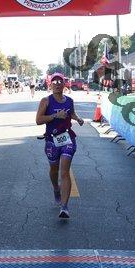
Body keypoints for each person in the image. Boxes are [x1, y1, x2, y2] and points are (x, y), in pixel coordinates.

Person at [35, 73, 84, 219]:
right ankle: (56, 188)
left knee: (64, 172)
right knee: (54, 170)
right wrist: (55, 116)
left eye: (60, 82)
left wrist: (78, 118)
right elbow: (38, 120)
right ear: (50, 85)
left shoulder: (69, 101)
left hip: (67, 138)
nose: (57, 84)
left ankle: (64, 207)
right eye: (54, 82)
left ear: (64, 84)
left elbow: (72, 113)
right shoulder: (46, 101)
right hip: (52, 140)